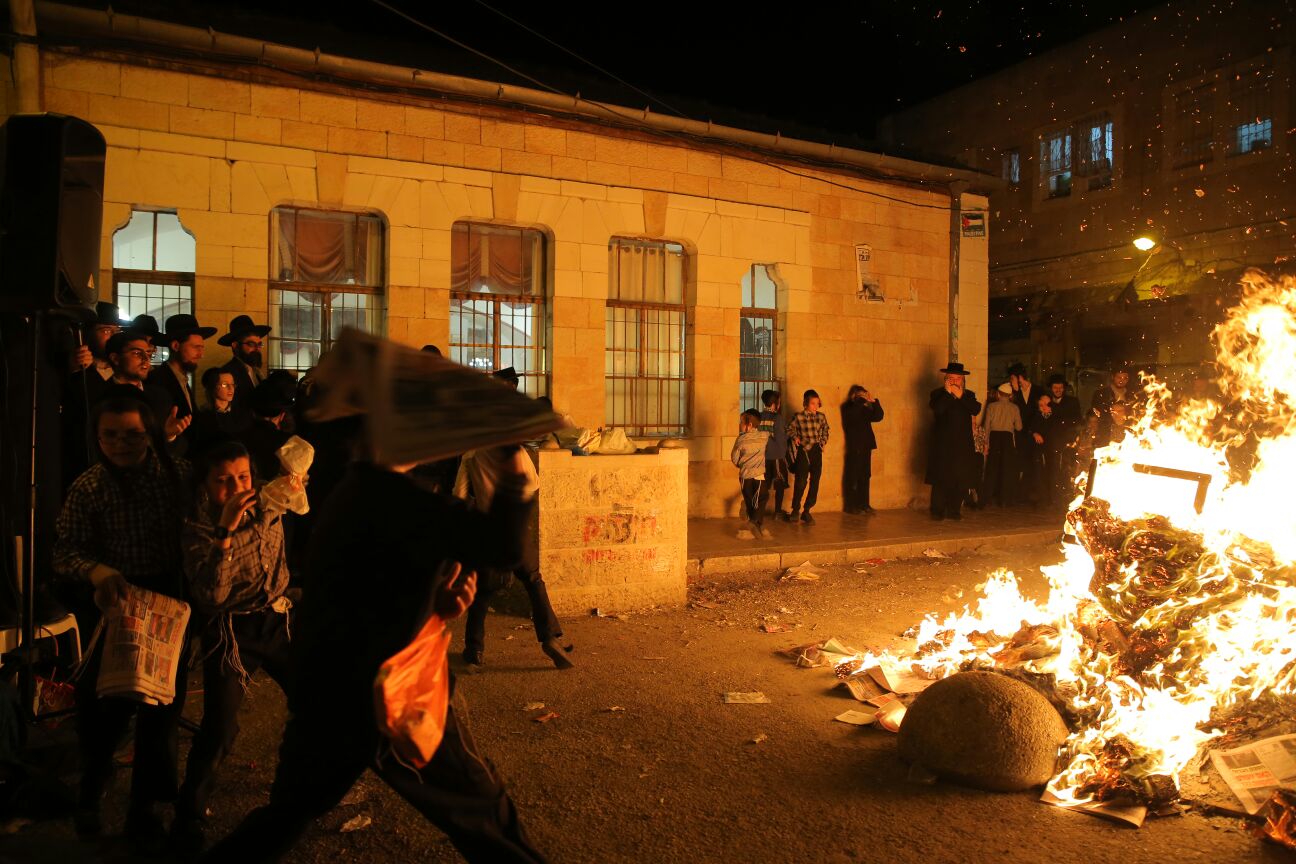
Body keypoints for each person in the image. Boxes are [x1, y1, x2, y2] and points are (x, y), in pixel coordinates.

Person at [204, 428, 549, 863]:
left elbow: (377, 591)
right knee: (482, 810)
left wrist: (436, 606)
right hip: (391, 696)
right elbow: (504, 549)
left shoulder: (352, 491)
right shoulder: (397, 500)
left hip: (328, 692)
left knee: (288, 814)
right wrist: (516, 476)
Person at [52, 391, 190, 850]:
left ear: (149, 433)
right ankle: (91, 792)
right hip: (113, 603)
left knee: (160, 711)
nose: (121, 443)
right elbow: (64, 550)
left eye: (132, 434)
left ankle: (146, 812)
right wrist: (95, 570)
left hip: (168, 601)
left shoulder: (177, 478)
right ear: (96, 437)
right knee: (103, 709)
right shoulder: (89, 486)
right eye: (109, 435)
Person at [173, 441, 295, 852]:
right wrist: (226, 529)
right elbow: (211, 595)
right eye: (223, 481)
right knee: (220, 725)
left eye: (242, 477)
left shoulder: (268, 500)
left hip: (277, 618)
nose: (237, 487)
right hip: (230, 631)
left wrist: (296, 480)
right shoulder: (199, 525)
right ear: (205, 485)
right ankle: (188, 815)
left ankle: (298, 792)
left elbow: (296, 495)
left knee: (314, 699)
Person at [458, 367, 571, 671]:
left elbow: (459, 494)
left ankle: (475, 652)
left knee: (482, 592)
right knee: (534, 581)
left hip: (486, 527)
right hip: (517, 528)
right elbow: (533, 484)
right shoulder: (517, 451)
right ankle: (549, 638)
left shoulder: (471, 453)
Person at [62, 301, 122, 487]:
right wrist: (72, 369)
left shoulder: (121, 369)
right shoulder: (80, 369)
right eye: (105, 331)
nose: (112, 337)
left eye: (116, 331)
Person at [146, 313, 218, 453]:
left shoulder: (182, 379)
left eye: (202, 348)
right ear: (175, 345)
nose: (201, 354)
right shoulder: (157, 381)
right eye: (196, 347)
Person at [925, 361, 982, 521]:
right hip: (942, 444)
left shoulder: (968, 395)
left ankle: (954, 510)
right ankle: (937, 510)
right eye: (951, 378)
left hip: (963, 444)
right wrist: (948, 394)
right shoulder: (937, 394)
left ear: (962, 380)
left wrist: (960, 396)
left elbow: (975, 408)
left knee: (960, 478)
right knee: (941, 477)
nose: (955, 381)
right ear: (946, 379)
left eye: (958, 378)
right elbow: (938, 409)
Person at [218, 315, 272, 422]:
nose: (257, 349)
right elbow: (230, 415)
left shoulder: (256, 372)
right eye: (251, 344)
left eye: (259, 344)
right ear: (235, 345)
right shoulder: (227, 374)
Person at [840, 384, 884, 514]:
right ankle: (851, 506)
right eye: (861, 395)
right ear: (854, 396)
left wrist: (874, 402)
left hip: (866, 446)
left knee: (865, 475)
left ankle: (864, 504)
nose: (864, 398)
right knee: (853, 476)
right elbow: (852, 415)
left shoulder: (864, 409)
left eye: (865, 395)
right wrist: (860, 400)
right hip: (855, 446)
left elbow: (878, 416)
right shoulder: (848, 407)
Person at [788, 389, 829, 525]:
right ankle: (795, 510)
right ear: (806, 403)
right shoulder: (798, 416)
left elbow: (825, 430)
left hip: (816, 450)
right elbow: (789, 429)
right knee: (801, 481)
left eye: (818, 403)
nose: (816, 406)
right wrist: (795, 438)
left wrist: (822, 442)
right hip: (803, 451)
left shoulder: (821, 417)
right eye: (813, 403)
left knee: (815, 480)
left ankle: (807, 510)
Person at [979, 382, 1022, 507]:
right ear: (1010, 395)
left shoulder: (991, 406)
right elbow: (1019, 427)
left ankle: (984, 500)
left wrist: (986, 443)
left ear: (998, 394)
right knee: (1006, 470)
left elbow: (986, 427)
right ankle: (1004, 500)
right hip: (1007, 439)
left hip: (994, 437)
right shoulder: (1014, 408)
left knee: (991, 469)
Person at [1044, 374, 1083, 508]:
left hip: (1068, 441)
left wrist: (1074, 438)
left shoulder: (1072, 401)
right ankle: (1053, 498)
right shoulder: (1046, 402)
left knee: (1067, 470)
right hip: (1052, 441)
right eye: (1055, 387)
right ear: (1051, 388)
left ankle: (1066, 498)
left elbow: (1077, 420)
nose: (1058, 390)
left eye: (1060, 387)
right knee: (1053, 469)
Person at [731, 408, 770, 538]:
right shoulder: (764, 436)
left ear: (749, 425)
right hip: (759, 475)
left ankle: (755, 525)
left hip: (744, 476)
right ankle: (756, 523)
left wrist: (741, 465)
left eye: (741, 422)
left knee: (749, 500)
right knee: (761, 498)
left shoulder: (740, 440)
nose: (739, 425)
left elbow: (735, 458)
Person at [1006, 363, 1038, 503]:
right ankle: (1018, 495)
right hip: (1020, 434)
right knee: (1019, 463)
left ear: (1019, 378)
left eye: (1012, 378)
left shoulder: (1037, 391)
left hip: (1034, 433)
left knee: (1032, 464)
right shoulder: (1015, 394)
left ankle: (1030, 494)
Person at [758, 390, 791, 522]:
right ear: (774, 404)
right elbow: (781, 439)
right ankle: (777, 512)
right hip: (776, 456)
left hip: (763, 457)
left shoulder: (759, 417)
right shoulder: (777, 418)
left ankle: (759, 511)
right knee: (780, 484)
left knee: (764, 485)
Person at [1088, 366, 1139, 450]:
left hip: (1126, 434)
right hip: (1105, 435)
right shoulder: (1101, 394)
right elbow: (1095, 414)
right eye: (1119, 377)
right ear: (1113, 377)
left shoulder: (1132, 395)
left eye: (1125, 378)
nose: (1122, 380)